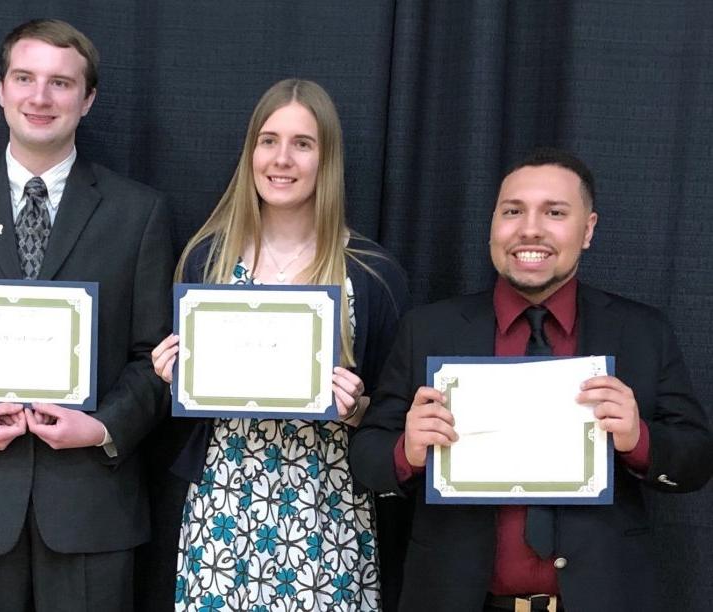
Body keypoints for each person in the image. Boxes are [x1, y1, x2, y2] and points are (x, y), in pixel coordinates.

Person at [349, 148, 713, 612]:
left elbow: (696, 461)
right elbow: (366, 457)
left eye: (555, 212)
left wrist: (638, 437)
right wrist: (408, 450)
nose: (530, 229)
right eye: (512, 211)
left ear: (588, 229)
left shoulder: (642, 331)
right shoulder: (428, 329)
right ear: (493, 226)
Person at [0, 19, 172, 611]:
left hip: (93, 510)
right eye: (25, 78)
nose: (40, 98)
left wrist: (101, 428)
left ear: (87, 99)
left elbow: (157, 358)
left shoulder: (138, 213)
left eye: (61, 83)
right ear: (0, 89)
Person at [151, 79, 410, 611]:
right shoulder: (207, 262)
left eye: (303, 143)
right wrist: (172, 376)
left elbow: (393, 417)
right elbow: (187, 406)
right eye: (268, 140)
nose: (282, 159)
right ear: (251, 153)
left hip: (326, 509)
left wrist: (356, 408)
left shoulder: (370, 272)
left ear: (327, 158)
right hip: (225, 507)